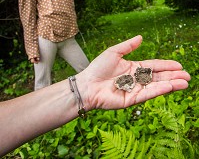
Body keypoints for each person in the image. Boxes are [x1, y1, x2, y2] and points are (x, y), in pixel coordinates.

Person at [0, 35, 191, 157]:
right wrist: (32, 47)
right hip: (45, 35)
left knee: (84, 69)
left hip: (66, 34)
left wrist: (85, 87)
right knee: (42, 78)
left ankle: (84, 83)